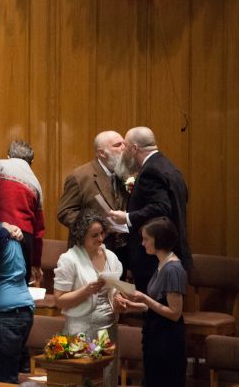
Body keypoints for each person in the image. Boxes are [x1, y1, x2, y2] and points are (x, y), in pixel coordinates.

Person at [108, 126, 191, 293]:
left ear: (134, 148)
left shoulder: (150, 171)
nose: (123, 151)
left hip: (153, 258)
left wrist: (127, 217)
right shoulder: (170, 168)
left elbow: (161, 208)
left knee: (154, 311)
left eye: (126, 146)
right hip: (172, 251)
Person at [114, 217, 187, 387]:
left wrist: (144, 298)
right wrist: (134, 307)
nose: (142, 243)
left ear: (158, 240)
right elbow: (158, 304)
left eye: (146, 239)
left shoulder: (173, 269)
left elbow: (174, 313)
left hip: (167, 341)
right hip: (156, 335)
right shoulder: (162, 263)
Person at [53, 210, 122, 387]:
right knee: (85, 380)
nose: (100, 239)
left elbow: (115, 289)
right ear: (81, 236)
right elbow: (59, 299)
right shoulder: (69, 259)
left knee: (108, 377)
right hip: (81, 329)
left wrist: (119, 298)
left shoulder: (111, 257)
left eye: (102, 233)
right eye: (94, 235)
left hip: (108, 328)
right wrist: (86, 291)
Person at [57, 131, 129, 273]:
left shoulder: (124, 175)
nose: (123, 148)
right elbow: (65, 212)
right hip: (89, 252)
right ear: (102, 153)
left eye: (124, 144)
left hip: (118, 253)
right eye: (118, 145)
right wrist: (95, 227)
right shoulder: (80, 177)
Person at [0, 224, 35, 384]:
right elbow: (27, 272)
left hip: (2, 315)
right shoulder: (14, 234)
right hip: (24, 310)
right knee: (3, 375)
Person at [0, 140, 45, 285]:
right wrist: (36, 264)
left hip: (0, 232)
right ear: (31, 161)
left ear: (8, 155)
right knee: (20, 286)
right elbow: (39, 231)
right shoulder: (36, 183)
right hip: (25, 239)